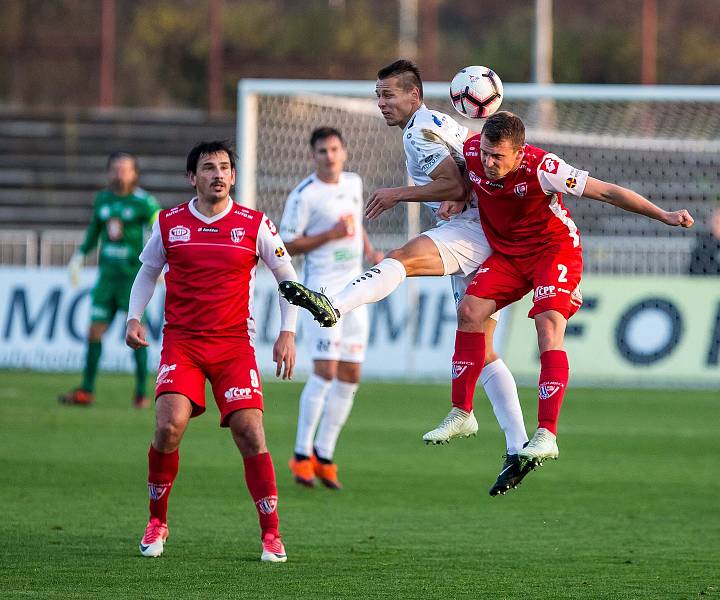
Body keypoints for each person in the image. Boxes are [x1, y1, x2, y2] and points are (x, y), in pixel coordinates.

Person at [279, 60, 529, 495]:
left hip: (472, 231)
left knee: (402, 258)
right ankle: (518, 446)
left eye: (389, 95)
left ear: (415, 95)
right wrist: (457, 196)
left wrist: (400, 193)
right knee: (482, 350)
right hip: (487, 229)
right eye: (378, 96)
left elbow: (452, 185)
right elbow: (469, 174)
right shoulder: (442, 122)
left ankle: (334, 304)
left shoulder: (418, 131)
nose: (382, 104)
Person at [453, 112, 694, 491]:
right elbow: (453, 180)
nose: (488, 162)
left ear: (520, 153)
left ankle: (546, 433)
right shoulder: (470, 151)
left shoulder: (545, 167)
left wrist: (662, 215)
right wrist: (449, 199)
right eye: (485, 153)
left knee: (548, 324)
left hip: (554, 250)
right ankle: (461, 412)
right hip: (510, 256)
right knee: (469, 311)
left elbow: (608, 192)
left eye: (498, 156)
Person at [124, 141, 299, 563]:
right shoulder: (168, 223)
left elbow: (286, 277)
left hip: (234, 347)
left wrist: (287, 332)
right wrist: (134, 317)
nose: (218, 175)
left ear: (233, 177)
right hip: (182, 343)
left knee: (251, 432)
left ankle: (271, 534)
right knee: (168, 428)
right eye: (208, 168)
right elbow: (148, 271)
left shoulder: (254, 223)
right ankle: (157, 521)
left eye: (224, 168)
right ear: (192, 177)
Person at [280, 127, 383, 490]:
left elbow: (354, 225)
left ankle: (324, 455)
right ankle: (300, 453)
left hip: (356, 291)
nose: (329, 156)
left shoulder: (353, 183)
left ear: (344, 152)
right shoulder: (304, 195)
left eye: (335, 149)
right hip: (322, 292)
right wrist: (329, 236)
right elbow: (287, 246)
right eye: (322, 151)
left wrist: (369, 251)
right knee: (324, 372)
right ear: (313, 156)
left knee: (351, 376)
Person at [59, 152, 160, 408]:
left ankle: (141, 393)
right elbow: (95, 230)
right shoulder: (102, 199)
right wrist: (79, 256)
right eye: (115, 169)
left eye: (125, 169)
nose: (119, 174)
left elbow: (160, 223)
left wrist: (161, 263)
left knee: (137, 334)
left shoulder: (143, 202)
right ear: (109, 172)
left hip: (131, 279)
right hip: (106, 279)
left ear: (134, 174)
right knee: (94, 331)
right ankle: (87, 390)